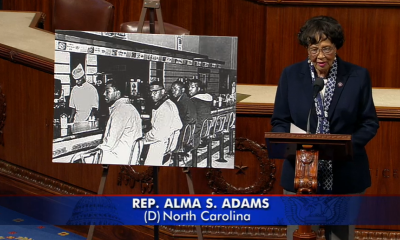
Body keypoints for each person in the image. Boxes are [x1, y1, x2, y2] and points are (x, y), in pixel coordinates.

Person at [271, 16, 379, 240]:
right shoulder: (291, 75)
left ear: (337, 47)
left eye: (326, 48)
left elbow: (369, 123)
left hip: (345, 173)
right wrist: (294, 143)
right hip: (300, 172)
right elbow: (280, 120)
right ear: (306, 49)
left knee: (340, 236)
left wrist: (345, 147)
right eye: (313, 49)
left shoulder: (357, 76)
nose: (320, 56)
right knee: (298, 235)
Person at [96, 80, 142, 165]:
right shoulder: (131, 107)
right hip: (130, 157)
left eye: (107, 91)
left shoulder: (120, 111)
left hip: (118, 158)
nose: (103, 94)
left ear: (118, 93)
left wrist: (95, 149)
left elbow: (109, 144)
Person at [143, 81, 182, 166]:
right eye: (151, 92)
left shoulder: (164, 108)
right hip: (169, 144)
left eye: (155, 92)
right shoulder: (170, 103)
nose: (152, 94)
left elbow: (156, 134)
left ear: (163, 91)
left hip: (159, 145)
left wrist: (144, 137)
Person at [170, 80, 197, 151]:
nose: (173, 91)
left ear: (183, 90)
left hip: (183, 133)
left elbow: (177, 119)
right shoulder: (185, 99)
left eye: (175, 89)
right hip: (188, 131)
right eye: (172, 89)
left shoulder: (182, 102)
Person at [187, 78, 213, 149]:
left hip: (196, 131)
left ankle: (179, 151)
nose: (189, 89)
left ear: (198, 89)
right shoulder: (208, 98)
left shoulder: (194, 100)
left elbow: (189, 116)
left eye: (192, 87)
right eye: (188, 87)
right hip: (205, 129)